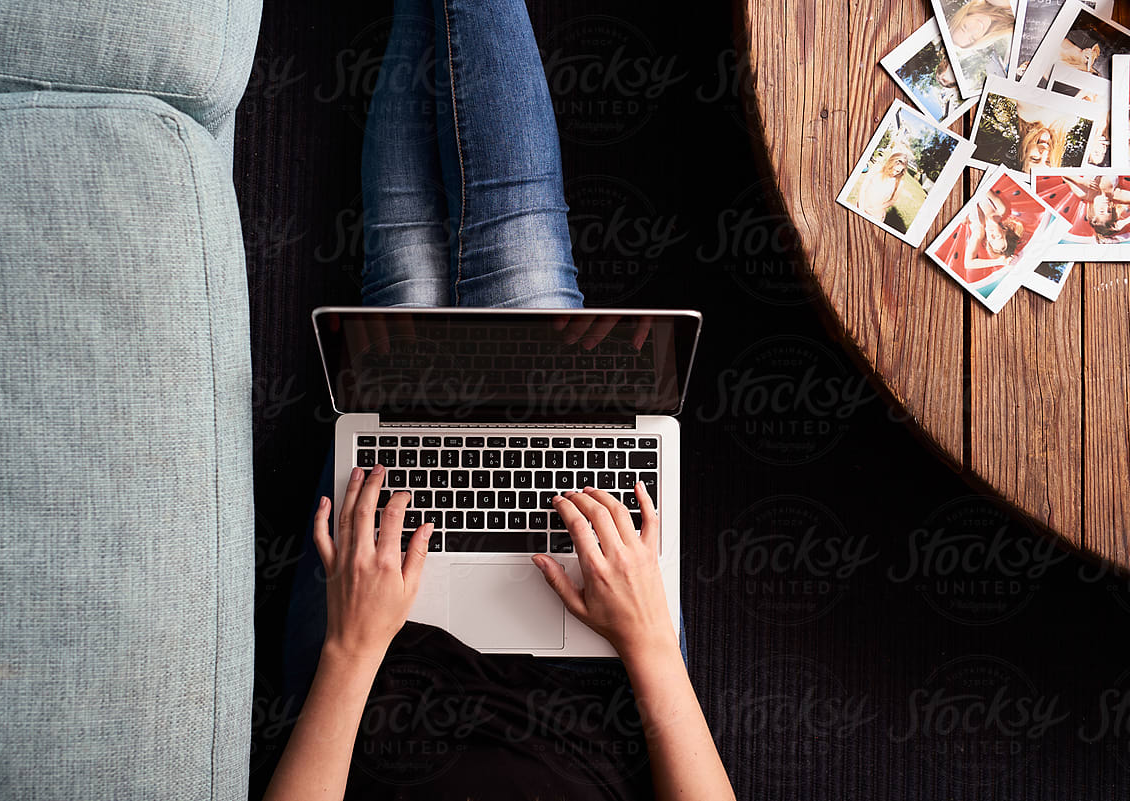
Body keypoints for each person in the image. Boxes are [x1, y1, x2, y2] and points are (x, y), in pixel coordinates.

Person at [263, 2, 737, 800]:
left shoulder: (358, 658)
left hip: (366, 685)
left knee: (403, 289)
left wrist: (351, 646)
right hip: (593, 685)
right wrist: (650, 641)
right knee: (523, 267)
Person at [959, 189, 1023, 282]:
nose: (991, 236)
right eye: (997, 237)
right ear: (1004, 230)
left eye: (991, 241)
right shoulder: (1000, 209)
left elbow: (968, 263)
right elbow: (984, 187)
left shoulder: (978, 231)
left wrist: (999, 262)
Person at [855, 139, 914, 224]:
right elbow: (863, 187)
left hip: (875, 215)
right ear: (889, 163)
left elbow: (892, 201)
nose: (894, 173)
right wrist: (861, 207)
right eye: (892, 169)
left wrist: (878, 208)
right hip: (859, 206)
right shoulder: (877, 168)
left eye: (898, 171)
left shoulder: (899, 183)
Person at [946, 0, 1015, 51]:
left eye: (965, 27)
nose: (975, 29)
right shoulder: (1007, 27)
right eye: (973, 38)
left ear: (966, 15)